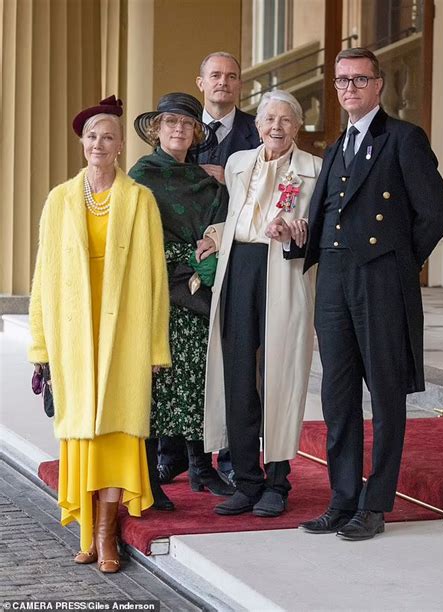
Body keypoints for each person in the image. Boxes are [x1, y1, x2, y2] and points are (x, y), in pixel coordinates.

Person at [268, 47, 443, 540]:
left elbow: (436, 212)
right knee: (337, 394)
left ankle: (375, 504)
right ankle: (342, 499)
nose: (349, 88)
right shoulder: (336, 147)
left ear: (378, 85)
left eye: (359, 79)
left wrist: (397, 263)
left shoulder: (404, 138)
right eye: (341, 80)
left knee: (386, 396)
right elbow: (329, 214)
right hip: (333, 281)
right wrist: (295, 240)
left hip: (380, 281)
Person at [28, 96, 171, 573]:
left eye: (108, 137)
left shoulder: (140, 200)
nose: (99, 144)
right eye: (92, 136)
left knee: (115, 433)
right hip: (73, 334)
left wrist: (156, 346)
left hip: (125, 335)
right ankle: (87, 532)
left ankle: (107, 536)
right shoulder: (59, 199)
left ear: (120, 145)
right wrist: (41, 343)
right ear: (82, 143)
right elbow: (43, 275)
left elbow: (155, 279)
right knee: (83, 434)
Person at [202, 90, 322, 518]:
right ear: (257, 126)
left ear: (297, 126)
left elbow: (321, 230)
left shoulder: (314, 170)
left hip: (284, 273)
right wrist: (215, 235)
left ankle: (277, 482)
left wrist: (298, 230)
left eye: (286, 120)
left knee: (280, 374)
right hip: (239, 269)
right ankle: (246, 480)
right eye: (269, 119)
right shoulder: (238, 164)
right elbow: (238, 218)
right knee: (238, 374)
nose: (276, 127)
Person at [158, 52, 261, 487]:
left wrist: (230, 180)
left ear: (240, 84)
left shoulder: (258, 130)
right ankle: (172, 455)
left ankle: (233, 458)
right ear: (201, 82)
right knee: (178, 361)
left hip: (239, 260)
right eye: (215, 75)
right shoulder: (178, 128)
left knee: (233, 362)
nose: (223, 82)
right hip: (180, 270)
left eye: (231, 76)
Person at [129, 92, 234, 501]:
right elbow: (134, 235)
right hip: (158, 289)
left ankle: (201, 469)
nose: (179, 129)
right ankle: (148, 476)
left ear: (195, 133)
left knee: (198, 379)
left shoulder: (204, 178)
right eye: (171, 122)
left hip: (200, 291)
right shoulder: (141, 176)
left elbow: (223, 220)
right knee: (156, 384)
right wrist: (179, 259)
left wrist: (212, 246)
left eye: (187, 124)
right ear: (157, 130)